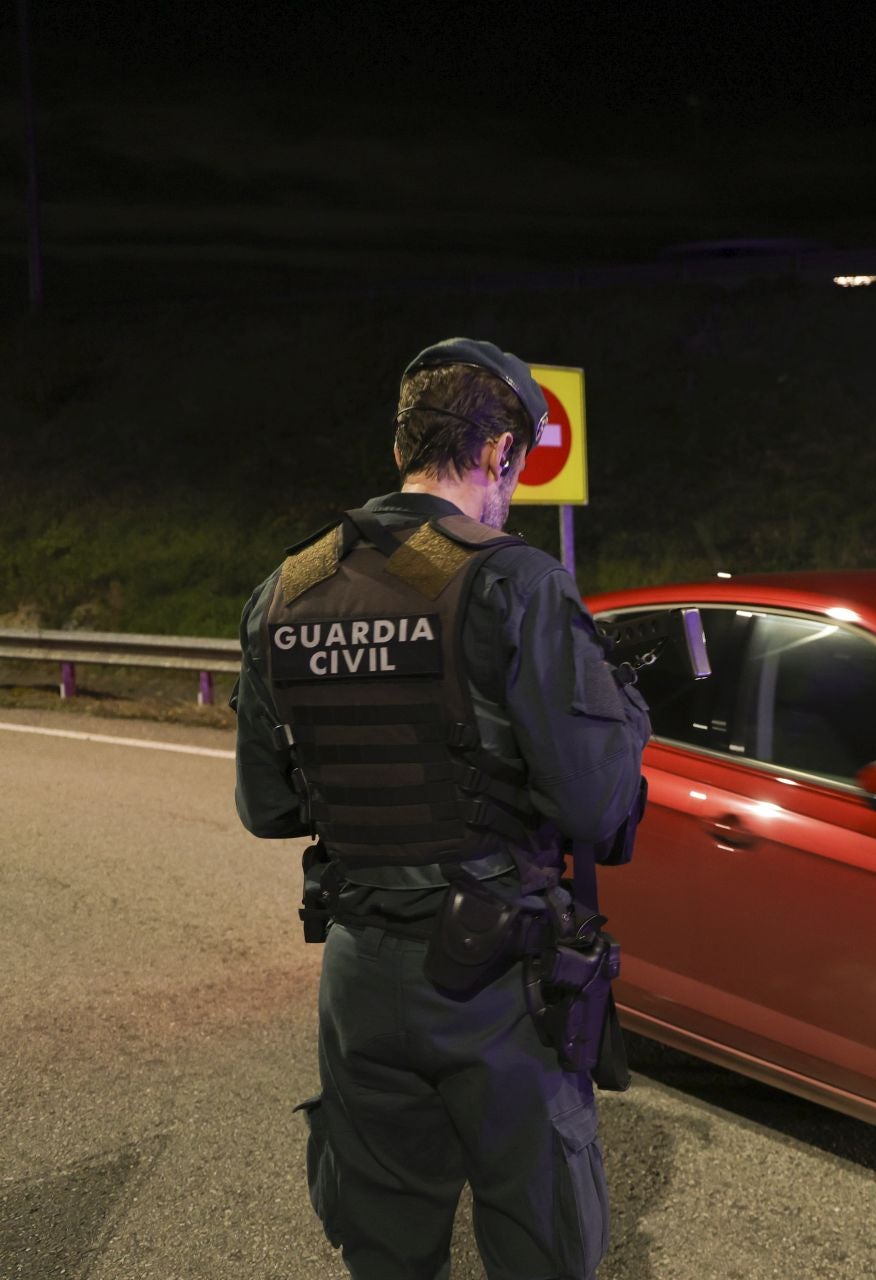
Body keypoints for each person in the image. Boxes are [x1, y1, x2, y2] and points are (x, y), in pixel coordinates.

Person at [231, 337, 650, 1279]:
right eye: (517, 467)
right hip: (495, 982)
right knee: (539, 1245)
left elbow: (265, 806)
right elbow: (597, 803)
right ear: (501, 454)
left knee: (384, 1255)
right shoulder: (514, 582)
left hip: (357, 976)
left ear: (399, 451)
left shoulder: (285, 589)